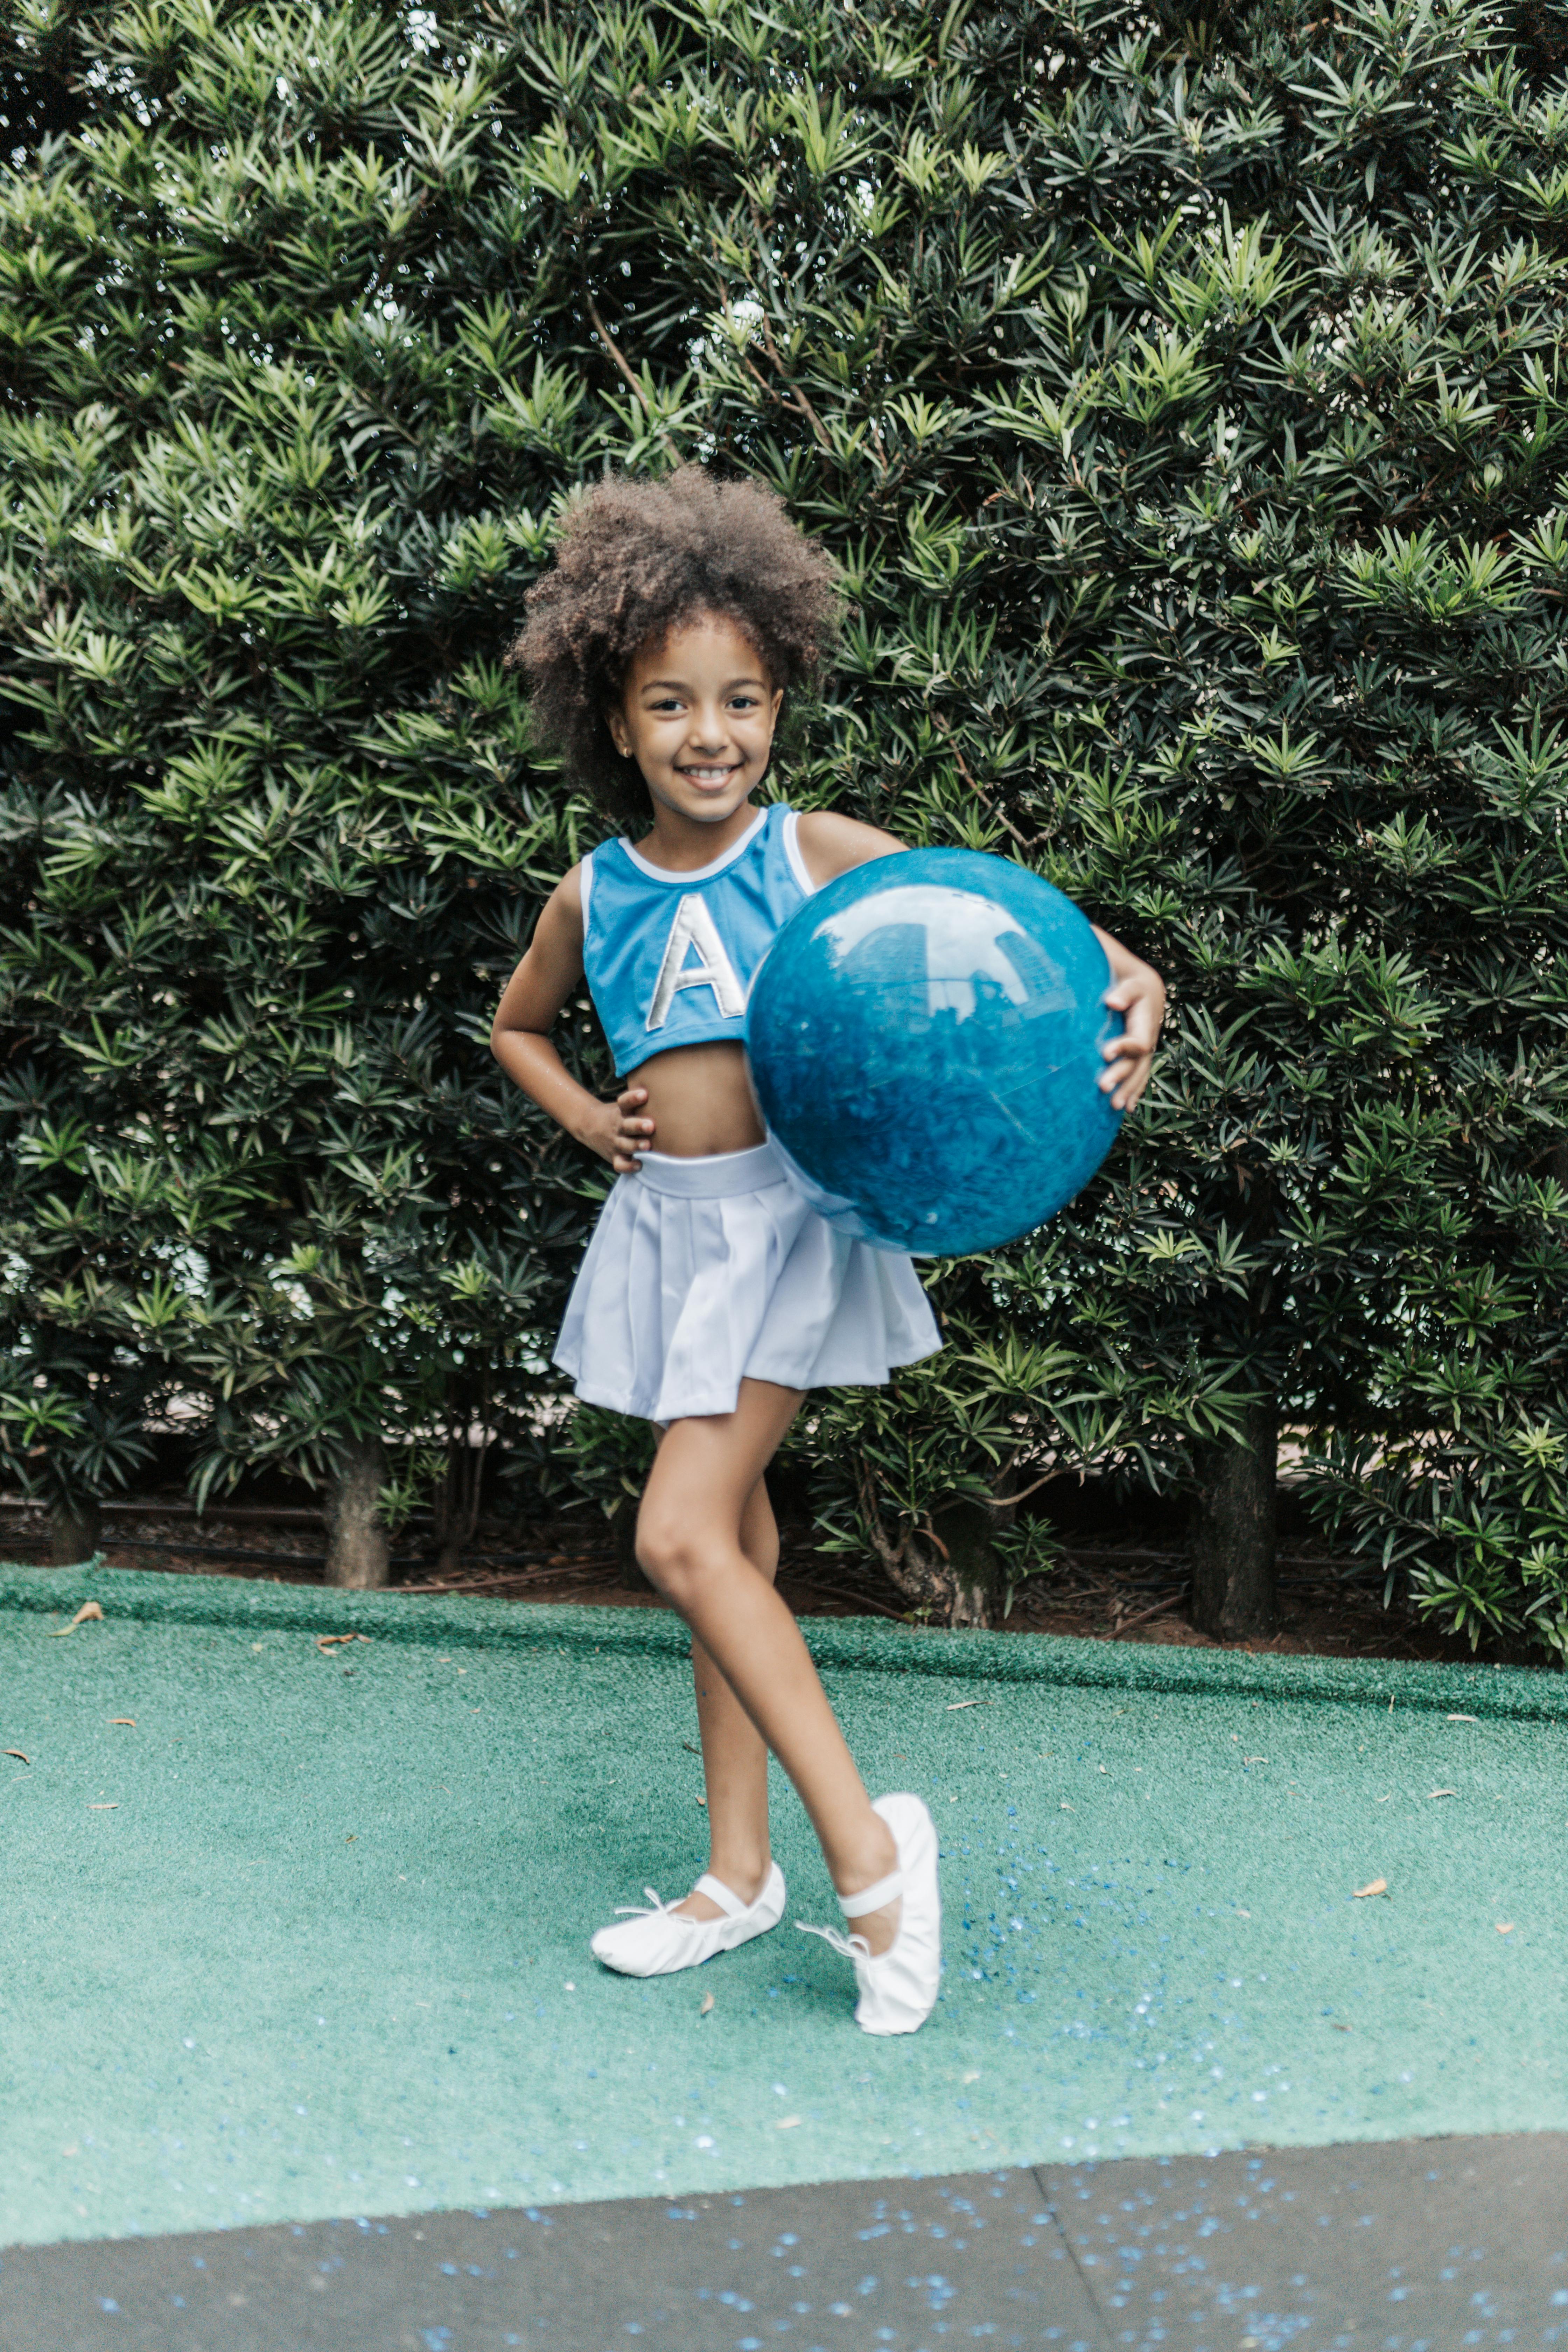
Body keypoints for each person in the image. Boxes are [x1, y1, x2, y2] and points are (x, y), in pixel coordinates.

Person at [490, 467, 1165, 2036]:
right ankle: (738, 1877)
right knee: (735, 1548)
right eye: (671, 704)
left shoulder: (813, 853)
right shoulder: (589, 895)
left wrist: (1136, 987)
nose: (709, 735)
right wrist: (590, 1120)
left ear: (780, 698)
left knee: (680, 1538)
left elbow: (1032, 934)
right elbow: (517, 1029)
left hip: (790, 1235)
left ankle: (870, 1855)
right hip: (668, 1233)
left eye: (740, 700)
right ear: (614, 714)